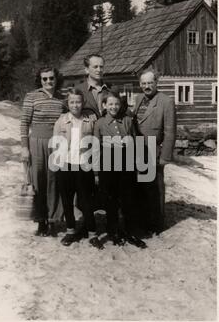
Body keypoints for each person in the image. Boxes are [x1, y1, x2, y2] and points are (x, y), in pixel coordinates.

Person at [94, 91, 147, 249]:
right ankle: (113, 231)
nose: (114, 107)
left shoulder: (128, 121)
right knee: (111, 199)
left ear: (121, 105)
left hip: (126, 163)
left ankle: (130, 232)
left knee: (128, 198)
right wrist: (96, 171)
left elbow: (135, 143)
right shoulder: (100, 123)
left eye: (116, 104)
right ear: (104, 106)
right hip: (108, 164)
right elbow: (96, 148)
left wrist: (138, 164)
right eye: (110, 104)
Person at [52, 88, 103, 249]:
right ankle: (70, 231)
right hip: (65, 167)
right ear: (68, 103)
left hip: (83, 167)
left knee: (86, 201)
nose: (75, 105)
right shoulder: (61, 121)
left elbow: (95, 147)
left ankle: (93, 233)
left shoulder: (89, 121)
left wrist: (95, 171)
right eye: (72, 102)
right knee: (67, 201)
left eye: (78, 102)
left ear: (83, 103)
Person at [20, 65, 64, 237]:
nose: (48, 81)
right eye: (44, 78)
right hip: (36, 142)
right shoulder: (31, 97)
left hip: (56, 143)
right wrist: (24, 147)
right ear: (40, 80)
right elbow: (24, 123)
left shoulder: (62, 98)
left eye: (51, 78)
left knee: (54, 181)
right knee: (38, 182)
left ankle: (53, 220)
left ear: (56, 79)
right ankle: (41, 221)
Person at [131, 68, 176, 234]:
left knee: (155, 188)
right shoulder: (138, 99)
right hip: (137, 150)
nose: (147, 86)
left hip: (154, 150)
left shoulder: (166, 101)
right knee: (141, 186)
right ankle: (143, 220)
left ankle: (157, 224)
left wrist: (165, 156)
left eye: (150, 82)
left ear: (156, 82)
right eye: (143, 83)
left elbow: (170, 131)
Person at [73, 54, 111, 119]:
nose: (99, 70)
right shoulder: (78, 90)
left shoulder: (111, 89)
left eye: (101, 67)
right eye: (95, 67)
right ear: (87, 70)